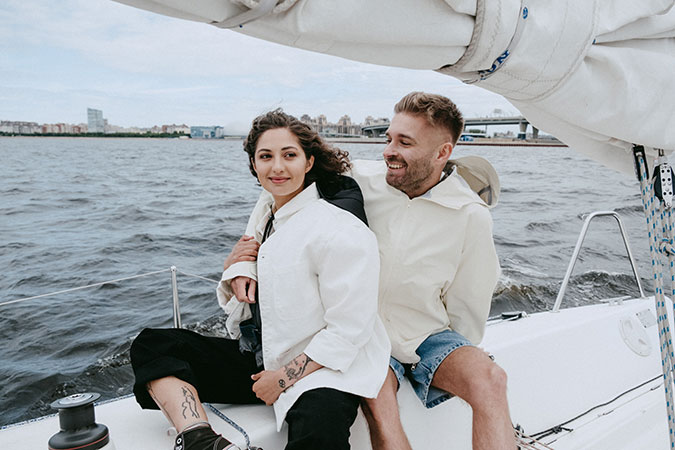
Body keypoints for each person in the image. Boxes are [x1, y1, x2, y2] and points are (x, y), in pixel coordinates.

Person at [227, 92, 514, 449]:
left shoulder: (471, 215)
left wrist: (448, 362)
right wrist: (243, 261)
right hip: (365, 335)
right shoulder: (360, 178)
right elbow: (276, 191)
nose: (388, 151)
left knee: (490, 379)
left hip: (428, 334)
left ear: (442, 153)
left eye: (404, 143)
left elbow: (469, 303)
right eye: (389, 138)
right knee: (384, 414)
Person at [130, 109, 390, 450]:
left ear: (309, 162)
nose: (277, 167)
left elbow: (350, 330)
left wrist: (281, 379)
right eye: (266, 156)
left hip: (324, 369)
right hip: (263, 360)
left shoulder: (340, 230)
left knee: (318, 429)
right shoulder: (268, 218)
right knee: (153, 345)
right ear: (254, 165)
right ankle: (200, 439)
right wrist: (236, 270)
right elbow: (251, 275)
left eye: (289, 155)